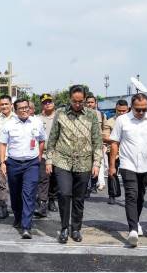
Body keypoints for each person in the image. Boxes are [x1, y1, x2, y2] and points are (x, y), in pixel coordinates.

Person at [109, 93, 147, 248]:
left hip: (146, 165)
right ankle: (133, 230)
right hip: (128, 164)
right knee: (131, 195)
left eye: (144, 109)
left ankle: (136, 221)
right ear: (131, 107)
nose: (141, 112)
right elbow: (114, 143)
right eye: (137, 110)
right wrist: (112, 165)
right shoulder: (122, 120)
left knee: (140, 196)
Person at [46, 85, 103, 243]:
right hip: (62, 160)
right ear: (69, 99)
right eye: (74, 101)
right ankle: (64, 227)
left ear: (85, 99)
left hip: (84, 163)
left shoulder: (91, 115)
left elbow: (97, 141)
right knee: (64, 194)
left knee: (79, 198)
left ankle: (76, 228)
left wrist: (97, 163)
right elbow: (52, 138)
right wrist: (49, 160)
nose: (78, 104)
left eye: (81, 101)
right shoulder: (60, 113)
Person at [0, 99, 46, 239]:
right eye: (21, 108)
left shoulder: (37, 122)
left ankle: (26, 226)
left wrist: (39, 156)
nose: (25, 110)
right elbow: (2, 144)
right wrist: (2, 162)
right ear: (15, 110)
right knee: (15, 193)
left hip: (31, 164)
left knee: (29, 193)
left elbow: (42, 140)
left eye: (26, 107)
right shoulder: (9, 125)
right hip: (13, 163)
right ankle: (18, 217)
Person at [34, 93, 58, 217]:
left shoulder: (60, 117)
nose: (47, 104)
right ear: (42, 104)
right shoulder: (36, 119)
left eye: (49, 101)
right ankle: (42, 203)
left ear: (53, 103)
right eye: (45, 102)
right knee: (43, 178)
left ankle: (52, 199)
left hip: (58, 153)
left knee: (55, 179)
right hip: (43, 153)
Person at [102, 99, 129, 205]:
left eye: (124, 111)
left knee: (128, 175)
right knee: (112, 173)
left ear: (128, 110)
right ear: (116, 109)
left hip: (129, 152)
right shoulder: (110, 122)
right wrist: (119, 140)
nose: (122, 113)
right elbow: (105, 137)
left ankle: (129, 196)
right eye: (119, 111)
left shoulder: (133, 121)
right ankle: (112, 195)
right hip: (113, 152)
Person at [85, 95, 107, 195]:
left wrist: (104, 143)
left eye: (92, 102)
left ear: (96, 103)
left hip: (97, 144)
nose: (90, 104)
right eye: (88, 102)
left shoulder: (101, 115)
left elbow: (104, 129)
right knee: (85, 166)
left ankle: (93, 185)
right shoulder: (82, 114)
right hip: (84, 144)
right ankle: (85, 186)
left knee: (96, 164)